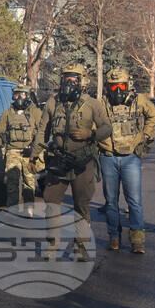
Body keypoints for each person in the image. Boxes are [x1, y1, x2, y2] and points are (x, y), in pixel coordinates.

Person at [35, 64, 111, 261]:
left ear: (82, 81)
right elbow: (42, 132)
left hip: (82, 162)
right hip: (58, 161)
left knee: (82, 204)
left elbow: (107, 128)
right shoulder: (53, 103)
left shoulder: (93, 104)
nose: (70, 82)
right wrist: (33, 157)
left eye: (74, 78)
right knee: (51, 201)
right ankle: (52, 244)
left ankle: (81, 246)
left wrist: (91, 133)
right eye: (66, 78)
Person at [99, 68, 155, 254]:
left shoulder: (138, 101)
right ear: (108, 87)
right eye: (113, 86)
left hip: (131, 158)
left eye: (121, 86)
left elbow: (153, 115)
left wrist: (146, 134)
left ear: (128, 85)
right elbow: (92, 124)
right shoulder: (102, 103)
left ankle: (137, 240)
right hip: (108, 157)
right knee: (110, 202)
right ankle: (114, 237)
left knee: (135, 201)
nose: (117, 90)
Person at [0, 85, 42, 214]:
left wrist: (34, 148)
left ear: (27, 96)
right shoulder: (7, 113)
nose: (19, 97)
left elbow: (42, 131)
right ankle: (13, 209)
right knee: (12, 182)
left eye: (22, 94)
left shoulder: (35, 112)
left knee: (29, 181)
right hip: (12, 151)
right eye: (16, 95)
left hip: (29, 152)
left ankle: (29, 208)